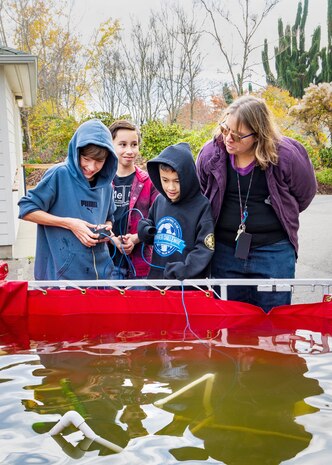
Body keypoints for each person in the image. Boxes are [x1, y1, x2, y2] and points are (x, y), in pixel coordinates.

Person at [196, 95, 317, 312]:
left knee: (274, 322)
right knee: (230, 322)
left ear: (259, 134)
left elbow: (305, 194)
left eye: (238, 135)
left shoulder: (286, 156)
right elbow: (202, 192)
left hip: (274, 251)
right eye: (225, 129)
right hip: (225, 251)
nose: (228, 139)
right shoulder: (210, 154)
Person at [18, 119, 117, 280]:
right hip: (61, 276)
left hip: (99, 275)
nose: (91, 167)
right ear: (76, 151)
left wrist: (105, 230)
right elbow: (26, 209)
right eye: (86, 158)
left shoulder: (106, 186)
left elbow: (109, 219)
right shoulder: (59, 174)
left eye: (99, 161)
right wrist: (70, 224)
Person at [138, 142, 215, 280]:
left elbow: (205, 248)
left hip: (188, 287)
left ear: (189, 177)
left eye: (177, 181)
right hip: (158, 282)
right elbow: (150, 223)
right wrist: (145, 229)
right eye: (165, 180)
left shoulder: (201, 206)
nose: (171, 187)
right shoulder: (160, 201)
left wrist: (184, 269)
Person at [108, 120, 158, 279]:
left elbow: (158, 218)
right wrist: (112, 239)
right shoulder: (101, 182)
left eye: (134, 144)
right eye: (122, 144)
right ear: (111, 145)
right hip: (108, 263)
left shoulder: (149, 182)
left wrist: (136, 238)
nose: (129, 150)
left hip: (140, 263)